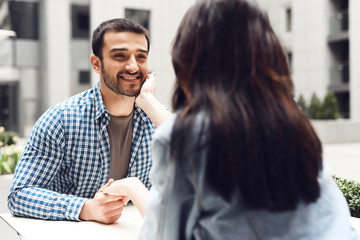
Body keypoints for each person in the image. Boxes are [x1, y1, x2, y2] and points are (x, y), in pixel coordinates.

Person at [103, 0, 360, 239]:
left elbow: (164, 234)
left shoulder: (184, 136)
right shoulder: (291, 120)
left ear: (189, 58)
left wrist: (134, 188)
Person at [8, 18, 169, 224]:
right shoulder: (60, 120)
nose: (132, 66)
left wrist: (147, 101)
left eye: (141, 57)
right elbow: (19, 195)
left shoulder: (157, 117)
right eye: (120, 56)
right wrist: (85, 208)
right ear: (96, 63)